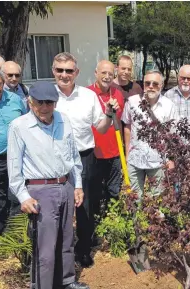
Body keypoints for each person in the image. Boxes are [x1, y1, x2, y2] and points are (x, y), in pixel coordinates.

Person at [7, 81, 89, 289]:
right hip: (40, 191)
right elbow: (14, 167)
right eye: (40, 102)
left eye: (50, 102)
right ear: (30, 102)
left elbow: (73, 155)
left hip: (65, 186)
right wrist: (23, 196)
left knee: (67, 239)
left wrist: (77, 185)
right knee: (45, 248)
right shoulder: (19, 126)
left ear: (55, 103)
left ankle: (67, 281)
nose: (45, 107)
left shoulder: (64, 120)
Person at [53, 52, 120, 267]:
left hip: (84, 158)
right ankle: (59, 251)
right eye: (60, 70)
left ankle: (83, 248)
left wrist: (109, 115)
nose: (65, 75)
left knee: (86, 206)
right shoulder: (46, 97)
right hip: (55, 161)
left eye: (69, 71)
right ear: (53, 71)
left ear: (77, 73)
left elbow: (101, 128)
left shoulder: (87, 97)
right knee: (57, 207)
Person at [122, 70, 177, 197]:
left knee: (157, 199)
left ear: (161, 86)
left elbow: (172, 134)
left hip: (158, 161)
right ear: (143, 85)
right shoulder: (131, 102)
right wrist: (127, 154)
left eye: (155, 83)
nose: (151, 86)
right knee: (134, 198)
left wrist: (170, 159)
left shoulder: (168, 106)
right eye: (147, 83)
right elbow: (127, 127)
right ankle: (136, 217)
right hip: (135, 159)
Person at [0, 65, 26, 238]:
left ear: (3, 83)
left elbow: (26, 123)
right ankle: (0, 240)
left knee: (17, 198)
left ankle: (16, 237)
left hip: (18, 158)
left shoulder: (15, 100)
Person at [86, 60, 124, 220]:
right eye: (104, 73)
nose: (107, 76)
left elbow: (120, 123)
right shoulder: (87, 94)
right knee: (93, 192)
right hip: (93, 152)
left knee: (114, 191)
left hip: (114, 152)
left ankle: (112, 222)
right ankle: (95, 225)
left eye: (110, 74)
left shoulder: (117, 94)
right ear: (96, 73)